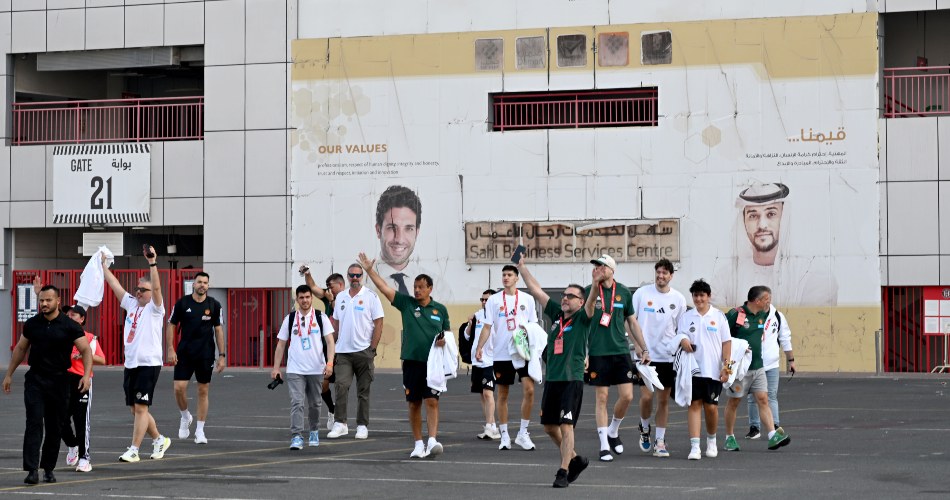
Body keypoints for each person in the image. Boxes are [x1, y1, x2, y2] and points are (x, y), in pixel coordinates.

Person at [359, 251, 449, 459]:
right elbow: (384, 288)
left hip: (433, 364)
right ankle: (418, 443)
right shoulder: (407, 304)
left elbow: (447, 336)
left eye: (421, 288)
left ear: (430, 289)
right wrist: (370, 270)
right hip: (411, 362)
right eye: (415, 287)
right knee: (414, 403)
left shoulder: (440, 310)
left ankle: (433, 440)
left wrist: (444, 342)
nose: (417, 291)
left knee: (432, 401)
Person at [3, 285, 93, 485]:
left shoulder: (70, 326)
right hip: (36, 379)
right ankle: (32, 470)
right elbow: (20, 348)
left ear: (58, 301)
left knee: (55, 427)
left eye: (48, 300)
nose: (44, 304)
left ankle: (48, 468)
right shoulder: (33, 324)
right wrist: (9, 374)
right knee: (34, 423)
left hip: (60, 381)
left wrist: (86, 376)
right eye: (41, 300)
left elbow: (86, 350)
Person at [517, 257, 593, 488]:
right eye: (564, 295)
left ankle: (563, 471)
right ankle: (575, 459)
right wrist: (521, 267)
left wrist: (596, 280)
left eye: (570, 296)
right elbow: (535, 289)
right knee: (550, 426)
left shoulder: (582, 318)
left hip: (572, 379)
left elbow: (592, 302)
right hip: (553, 379)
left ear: (580, 302)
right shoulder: (556, 316)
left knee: (566, 425)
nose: (565, 298)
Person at [712, 182, 838, 306]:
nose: (762, 225)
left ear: (784, 219)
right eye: (753, 216)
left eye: (771, 214)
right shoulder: (725, 278)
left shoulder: (814, 276)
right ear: (743, 222)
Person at [103, 245, 173, 463]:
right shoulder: (132, 305)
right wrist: (104, 267)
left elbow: (158, 290)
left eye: (143, 289)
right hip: (131, 363)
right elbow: (115, 285)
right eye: (137, 288)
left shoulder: (155, 309)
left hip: (148, 363)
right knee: (135, 409)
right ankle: (159, 439)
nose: (138, 291)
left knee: (142, 407)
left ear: (151, 293)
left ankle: (134, 449)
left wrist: (152, 263)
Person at [585, 255, 649, 462]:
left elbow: (632, 323)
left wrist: (643, 347)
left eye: (602, 266)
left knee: (628, 396)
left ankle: (613, 430)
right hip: (598, 352)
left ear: (612, 270)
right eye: (596, 266)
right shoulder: (589, 291)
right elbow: (585, 317)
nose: (598, 269)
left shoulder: (623, 292)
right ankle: (604, 445)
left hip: (620, 350)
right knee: (601, 397)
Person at [475, 264, 540, 451]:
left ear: (517, 278)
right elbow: (487, 327)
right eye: (503, 275)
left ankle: (523, 433)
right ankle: (504, 435)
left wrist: (534, 348)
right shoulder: (494, 301)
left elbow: (533, 325)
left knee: (529, 390)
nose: (505, 278)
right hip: (502, 353)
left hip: (522, 351)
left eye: (509, 275)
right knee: (502, 394)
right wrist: (480, 347)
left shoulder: (527, 299)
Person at [722, 286, 791, 452]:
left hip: (758, 367)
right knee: (734, 402)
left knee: (763, 399)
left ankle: (772, 435)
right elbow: (722, 337)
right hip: (739, 369)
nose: (769, 302)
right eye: (767, 298)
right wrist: (728, 363)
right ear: (757, 301)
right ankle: (729, 437)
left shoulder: (763, 315)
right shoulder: (736, 314)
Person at [630, 258, 687, 458]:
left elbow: (681, 330)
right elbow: (630, 321)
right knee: (646, 397)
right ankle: (645, 428)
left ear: (671, 276)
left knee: (663, 401)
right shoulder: (642, 294)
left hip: (668, 357)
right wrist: (637, 345)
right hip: (645, 356)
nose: (660, 276)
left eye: (665, 273)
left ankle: (660, 441)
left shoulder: (679, 299)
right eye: (658, 272)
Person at [322, 264, 384, 440]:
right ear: (348, 277)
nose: (355, 278)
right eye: (352, 275)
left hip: (364, 351)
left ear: (362, 276)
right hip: (343, 352)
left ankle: (362, 425)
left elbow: (379, 323)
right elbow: (335, 324)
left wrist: (372, 348)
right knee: (341, 386)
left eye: (358, 275)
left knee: (363, 390)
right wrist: (330, 347)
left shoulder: (371, 296)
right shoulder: (340, 297)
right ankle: (340, 423)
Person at [271, 284, 336, 450]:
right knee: (297, 403)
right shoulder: (290, 319)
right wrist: (276, 368)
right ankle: (297, 436)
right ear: (297, 299)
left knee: (315, 404)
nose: (305, 300)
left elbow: (330, 342)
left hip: (316, 368)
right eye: (301, 297)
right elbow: (281, 345)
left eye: (307, 297)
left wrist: (329, 363)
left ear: (311, 298)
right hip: (295, 369)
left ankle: (314, 431)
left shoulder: (321, 317)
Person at [166, 272, 226, 445]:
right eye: (199, 282)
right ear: (194, 284)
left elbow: (218, 330)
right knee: (179, 388)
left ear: (208, 285)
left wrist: (221, 356)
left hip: (205, 354)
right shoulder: (182, 303)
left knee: (203, 390)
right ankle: (185, 416)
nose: (202, 285)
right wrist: (170, 348)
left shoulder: (214, 305)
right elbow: (171, 324)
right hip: (184, 352)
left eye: (205, 283)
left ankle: (200, 430)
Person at [675, 279, 731, 460]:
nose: (698, 299)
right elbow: (680, 336)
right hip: (692, 369)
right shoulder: (686, 317)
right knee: (694, 404)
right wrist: (683, 341)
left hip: (713, 370)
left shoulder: (719, 316)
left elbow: (727, 342)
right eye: (695, 296)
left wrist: (726, 366)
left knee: (711, 408)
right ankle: (695, 447)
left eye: (702, 295)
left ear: (709, 296)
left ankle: (712, 440)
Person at [60, 305, 106, 472]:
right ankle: (72, 445)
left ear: (82, 319)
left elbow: (102, 359)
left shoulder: (89, 338)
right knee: (59, 418)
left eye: (74, 314)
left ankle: (84, 458)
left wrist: (85, 354)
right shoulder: (62, 335)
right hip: (64, 381)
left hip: (82, 380)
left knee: (81, 421)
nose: (70, 316)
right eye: (68, 314)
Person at [746, 298, 796, 440]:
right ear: (756, 300)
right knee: (752, 397)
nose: (766, 302)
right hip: (753, 363)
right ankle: (754, 427)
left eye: (769, 299)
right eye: (763, 299)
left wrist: (791, 360)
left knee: (771, 396)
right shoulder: (748, 316)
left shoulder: (778, 316)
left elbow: (785, 338)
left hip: (771, 364)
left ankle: (774, 427)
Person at [374, 185, 423, 295]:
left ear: (417, 232)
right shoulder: (361, 287)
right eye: (392, 228)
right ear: (378, 230)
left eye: (408, 228)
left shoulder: (440, 289)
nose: (399, 239)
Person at [467, 288, 500, 440]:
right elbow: (467, 336)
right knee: (482, 394)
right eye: (482, 299)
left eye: (487, 299)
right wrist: (469, 325)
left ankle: (490, 426)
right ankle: (491, 425)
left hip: (491, 360)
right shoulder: (477, 316)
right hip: (477, 360)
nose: (484, 302)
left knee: (488, 393)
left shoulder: (499, 316)